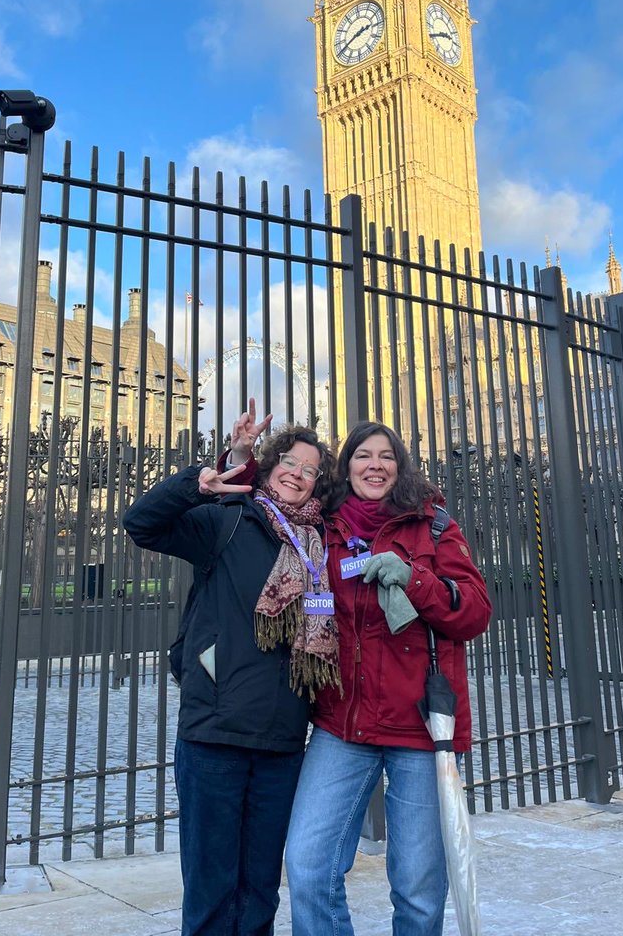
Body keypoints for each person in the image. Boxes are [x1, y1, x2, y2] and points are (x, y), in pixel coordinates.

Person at [124, 401, 337, 936]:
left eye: (311, 470)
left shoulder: (320, 545)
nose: (299, 474)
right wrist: (209, 474)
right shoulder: (227, 519)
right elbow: (141, 523)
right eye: (290, 460)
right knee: (213, 889)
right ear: (268, 465)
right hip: (216, 731)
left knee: (260, 889)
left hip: (283, 738)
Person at [283, 420, 492, 936]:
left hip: (420, 728)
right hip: (342, 724)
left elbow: (475, 614)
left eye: (386, 456)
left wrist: (415, 578)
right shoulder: (320, 528)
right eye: (362, 455)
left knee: (418, 890)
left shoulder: (433, 525)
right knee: (308, 865)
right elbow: (268, 496)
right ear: (345, 466)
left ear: (399, 467)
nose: (374, 464)